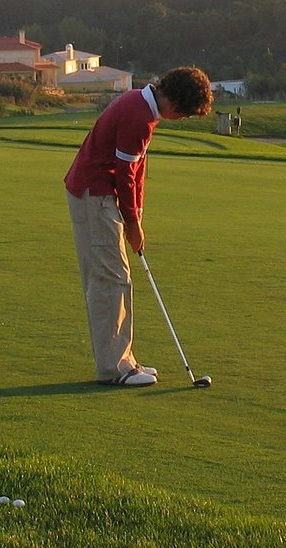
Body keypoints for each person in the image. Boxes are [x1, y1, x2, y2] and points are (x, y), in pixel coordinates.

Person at [63, 66, 213, 386]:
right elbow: (125, 174)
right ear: (175, 102)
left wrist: (136, 217)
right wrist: (132, 223)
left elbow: (136, 170)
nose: (182, 119)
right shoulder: (139, 117)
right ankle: (115, 368)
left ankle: (124, 359)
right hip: (95, 195)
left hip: (99, 193)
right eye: (185, 114)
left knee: (116, 276)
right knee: (111, 278)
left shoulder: (140, 104)